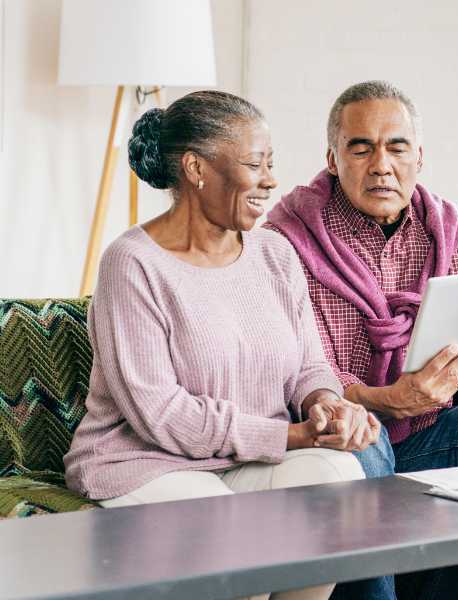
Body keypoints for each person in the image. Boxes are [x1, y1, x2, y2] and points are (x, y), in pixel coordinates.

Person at [65, 90, 381, 600]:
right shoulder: (133, 264)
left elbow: (308, 365)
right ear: (196, 168)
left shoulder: (274, 253)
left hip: (247, 461)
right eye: (255, 164)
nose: (271, 180)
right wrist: (293, 437)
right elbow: (160, 415)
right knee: (238, 536)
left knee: (337, 480)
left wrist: (324, 405)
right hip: (148, 463)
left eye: (271, 163)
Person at [266, 81, 458, 600]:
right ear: (332, 159)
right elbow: (292, 374)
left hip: (427, 439)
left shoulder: (455, 232)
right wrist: (384, 400)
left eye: (396, 147)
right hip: (337, 437)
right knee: (360, 436)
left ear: (419, 156)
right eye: (361, 147)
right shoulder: (287, 241)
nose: (381, 164)